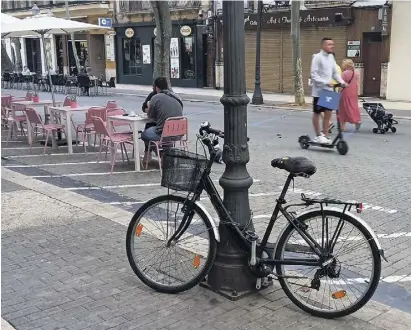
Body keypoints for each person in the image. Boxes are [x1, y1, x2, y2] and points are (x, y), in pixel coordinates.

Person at [310, 37, 346, 144]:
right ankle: (318, 136)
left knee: (328, 113)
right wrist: (325, 82)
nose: (332, 46)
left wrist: (342, 81)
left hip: (330, 90)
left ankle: (325, 135)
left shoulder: (331, 57)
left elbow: (335, 72)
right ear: (323, 45)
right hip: (319, 91)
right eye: (329, 44)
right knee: (317, 113)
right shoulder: (317, 57)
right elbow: (314, 74)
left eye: (332, 44)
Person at [141, 77, 183, 162]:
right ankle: (168, 154)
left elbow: (150, 115)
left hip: (163, 133)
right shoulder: (177, 96)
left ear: (156, 87)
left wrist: (149, 107)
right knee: (159, 132)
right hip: (179, 132)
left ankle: (162, 154)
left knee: (144, 135)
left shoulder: (155, 97)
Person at [338, 59, 361, 131]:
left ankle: (343, 126)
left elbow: (341, 84)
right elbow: (357, 84)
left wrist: (338, 91)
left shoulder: (344, 73)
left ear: (346, 65)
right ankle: (357, 121)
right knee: (353, 107)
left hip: (345, 92)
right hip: (353, 93)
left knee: (343, 109)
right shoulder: (356, 73)